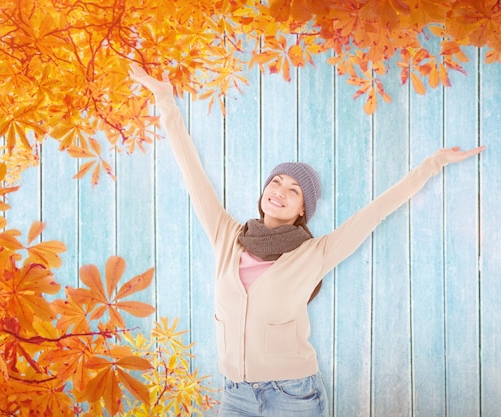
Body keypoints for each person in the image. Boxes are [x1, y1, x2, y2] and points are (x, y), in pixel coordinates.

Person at [129, 63, 485, 417]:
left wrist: (434, 163)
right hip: (235, 394)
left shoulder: (314, 254)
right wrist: (166, 102)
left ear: (303, 210)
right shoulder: (228, 237)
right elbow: (192, 173)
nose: (280, 191)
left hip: (291, 396)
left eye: (293, 190)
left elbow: (376, 211)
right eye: (276, 181)